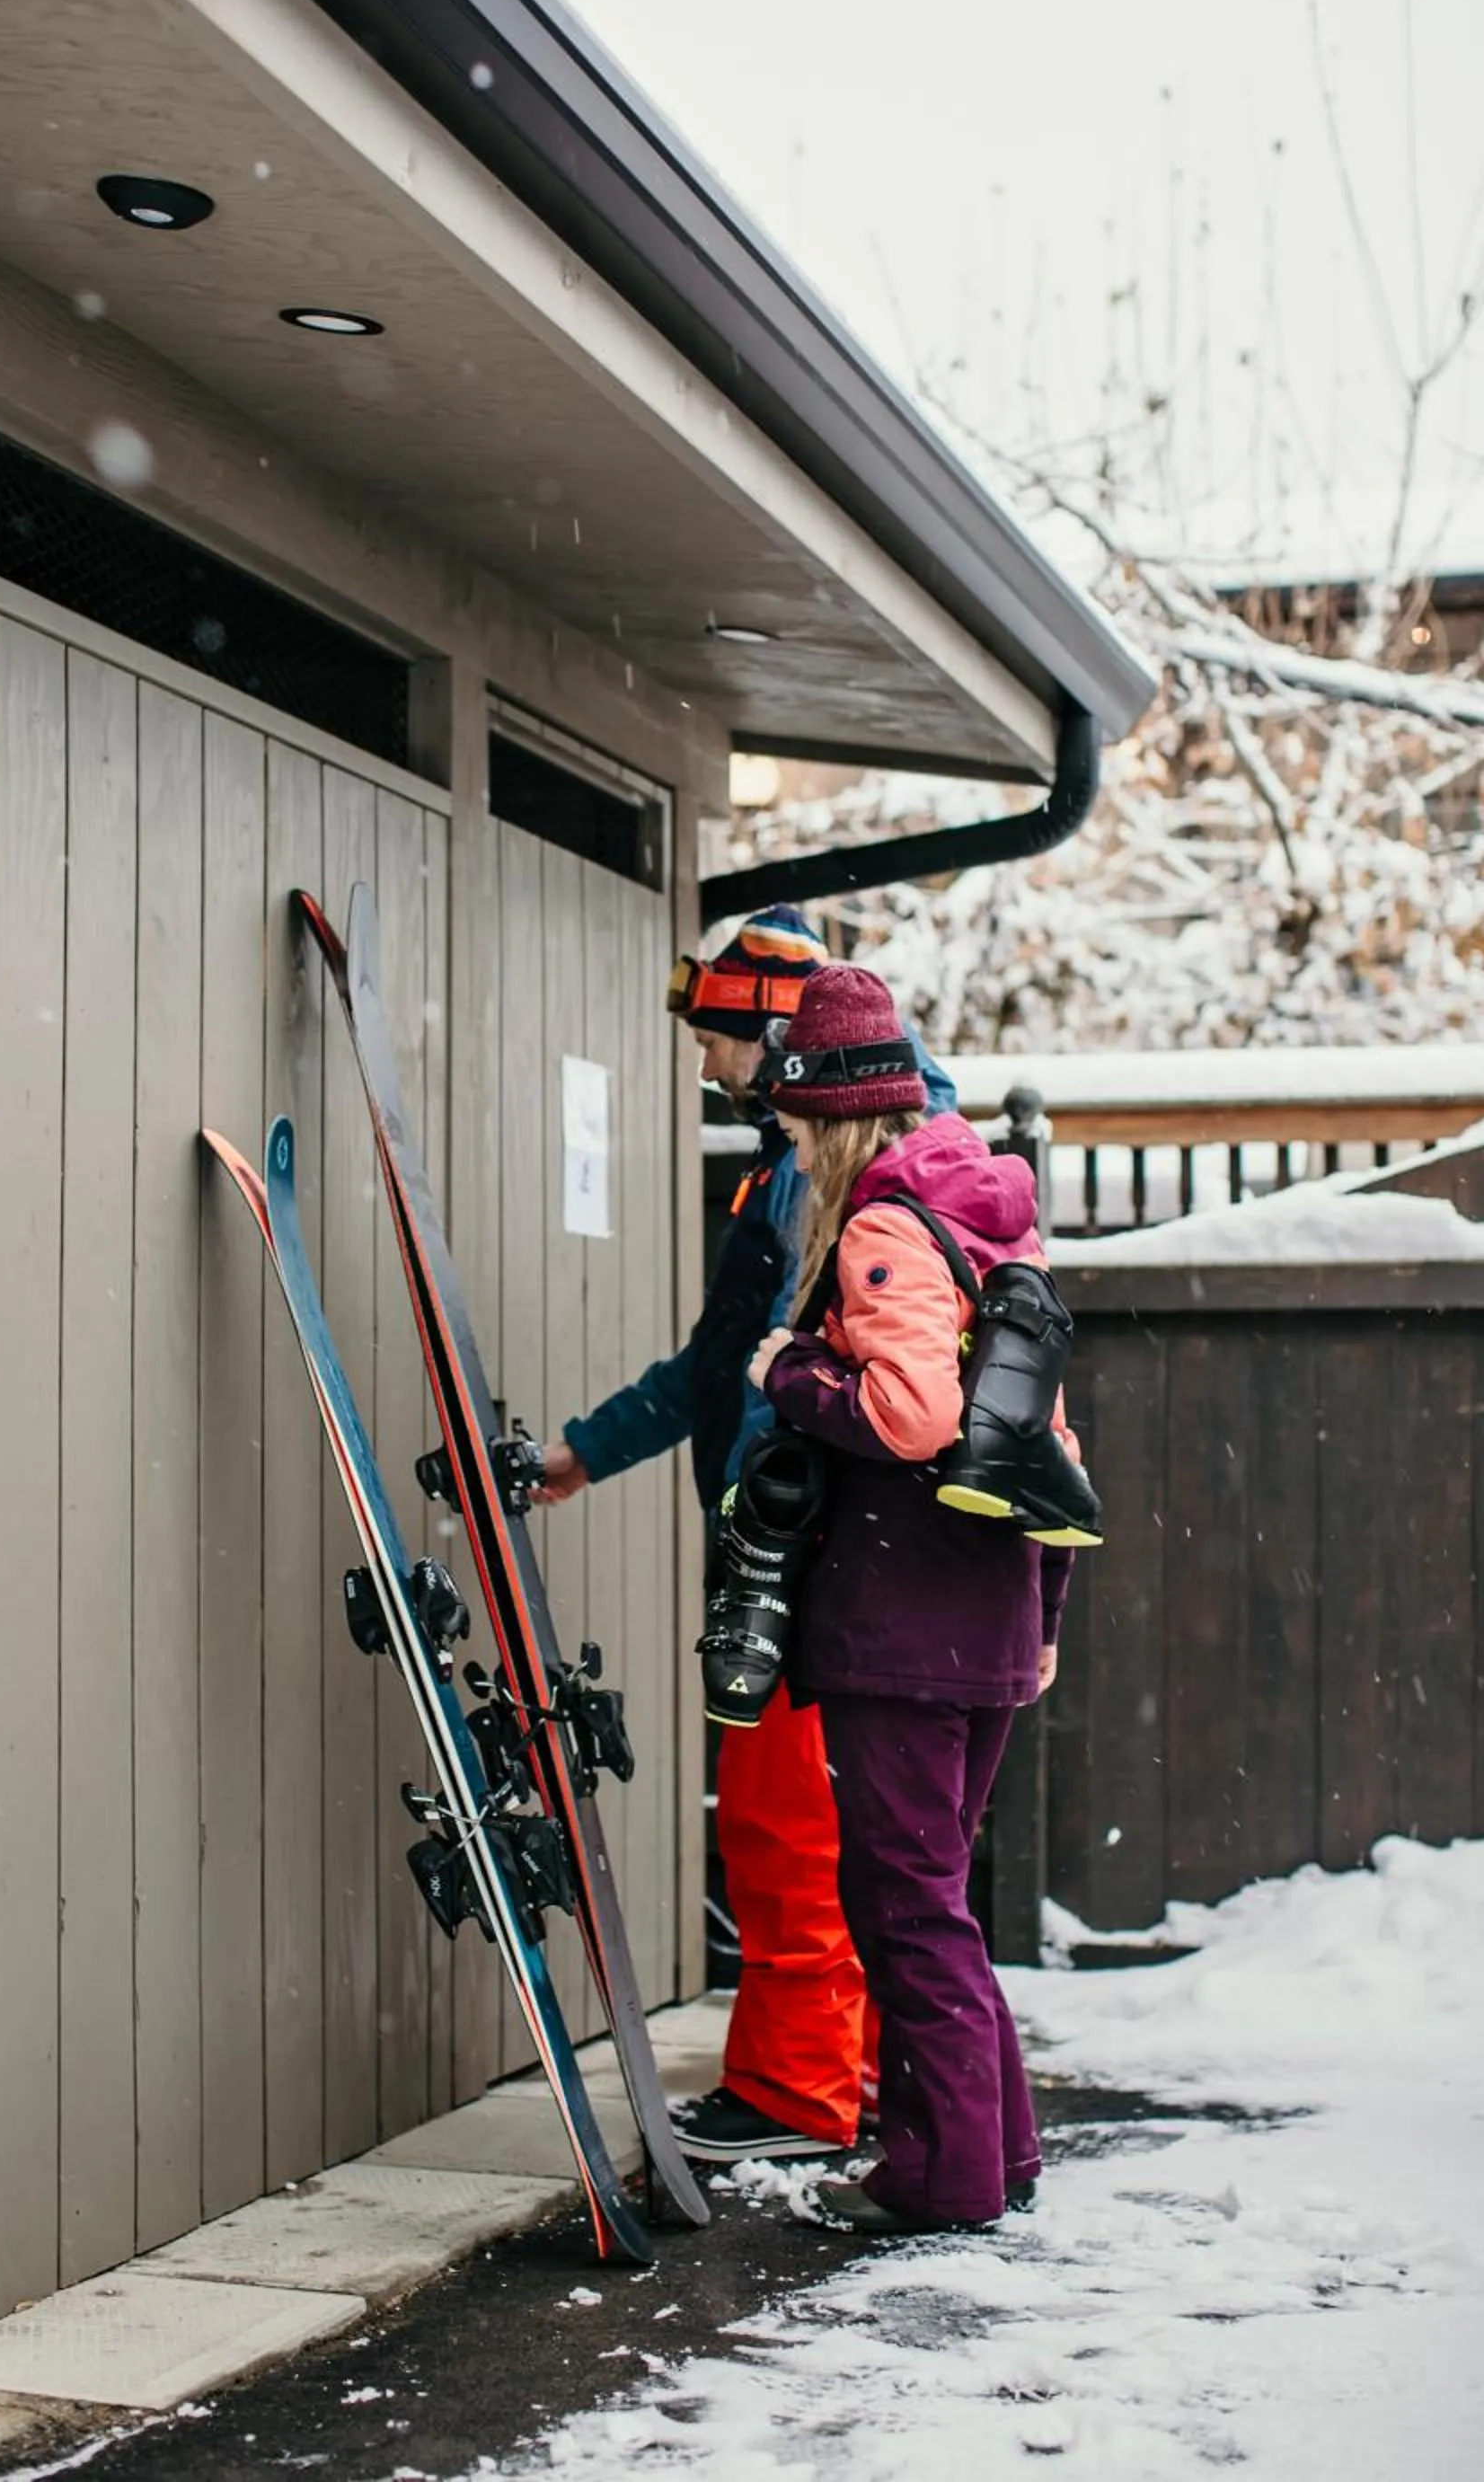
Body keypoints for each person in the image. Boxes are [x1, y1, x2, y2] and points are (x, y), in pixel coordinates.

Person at [535, 906, 958, 2162]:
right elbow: (716, 1367)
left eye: (717, 1036)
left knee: (791, 1827)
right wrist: (581, 1454)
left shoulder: (852, 1174)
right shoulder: (805, 1169)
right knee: (854, 1834)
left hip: (808, 1549)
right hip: (813, 1546)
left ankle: (796, 2087)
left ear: (780, 1026)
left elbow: (800, 1375)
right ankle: (875, 2078)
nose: (708, 1066)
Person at [746, 961, 1076, 2233]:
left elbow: (913, 1414)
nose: (793, 1151)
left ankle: (942, 2179)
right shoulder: (998, 1221)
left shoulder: (887, 1226)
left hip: (905, 1615)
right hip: (989, 1604)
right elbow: (1046, 1431)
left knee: (904, 1902)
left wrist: (793, 1375)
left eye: (794, 1129)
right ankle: (999, 2152)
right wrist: (1041, 1617)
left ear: (835, 1122)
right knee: (937, 1893)